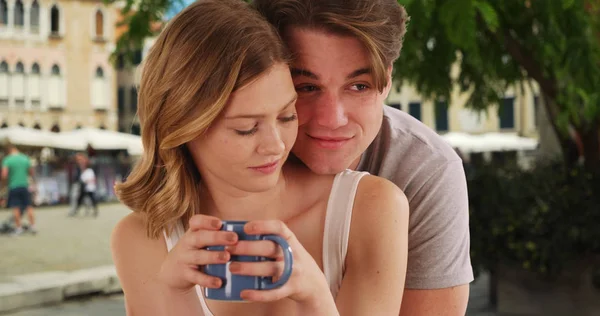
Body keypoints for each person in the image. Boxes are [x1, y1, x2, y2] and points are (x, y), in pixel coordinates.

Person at [110, 1, 409, 315]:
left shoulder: (371, 208)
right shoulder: (139, 240)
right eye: (246, 128)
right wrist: (173, 296)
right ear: (184, 127)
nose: (276, 146)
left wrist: (316, 297)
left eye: (286, 117)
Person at [252, 1, 473, 315]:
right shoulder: (225, 153)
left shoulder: (425, 169)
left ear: (388, 81)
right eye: (307, 87)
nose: (333, 119)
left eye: (359, 86)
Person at [1, 144, 36, 235]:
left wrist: (4, 183)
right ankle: (33, 226)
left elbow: (4, 174)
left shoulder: (7, 159)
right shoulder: (25, 158)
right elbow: (31, 172)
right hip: (24, 185)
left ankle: (18, 228)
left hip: (13, 186)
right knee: (28, 206)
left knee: (16, 207)